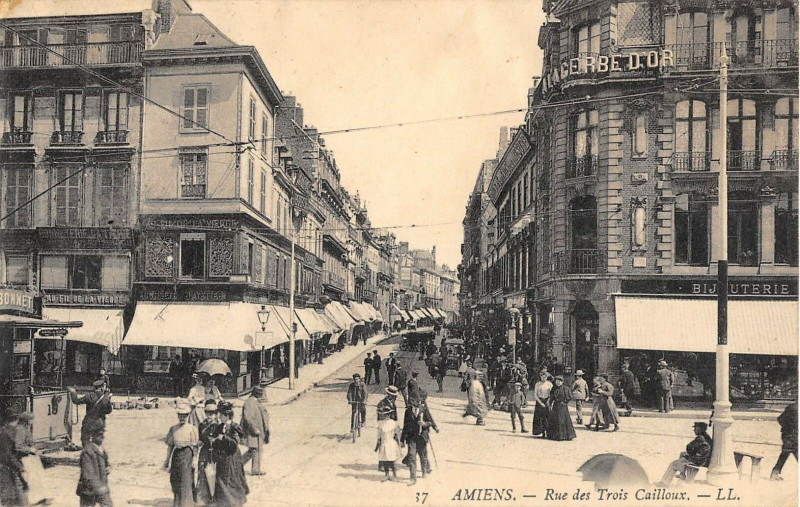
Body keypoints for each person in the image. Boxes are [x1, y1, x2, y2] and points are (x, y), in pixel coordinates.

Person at [212, 401, 249, 506]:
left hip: (232, 456)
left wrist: (223, 437)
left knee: (232, 478)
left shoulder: (234, 427)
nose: (219, 417)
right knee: (222, 478)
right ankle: (224, 502)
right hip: (222, 457)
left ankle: (235, 502)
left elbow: (235, 443)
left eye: (221, 415)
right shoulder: (219, 427)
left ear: (227, 415)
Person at [163, 402, 199, 507]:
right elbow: (170, 445)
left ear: (188, 415)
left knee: (186, 480)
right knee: (175, 479)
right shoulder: (173, 429)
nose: (182, 417)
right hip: (176, 456)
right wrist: (167, 460)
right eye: (180, 415)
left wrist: (194, 459)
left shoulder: (192, 429)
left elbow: (195, 446)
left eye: (185, 415)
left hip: (187, 455)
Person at [656, 422, 712, 487]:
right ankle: (681, 474)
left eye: (695, 428)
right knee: (682, 454)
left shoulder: (700, 438)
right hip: (702, 459)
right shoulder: (706, 436)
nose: (694, 430)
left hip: (697, 461)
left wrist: (690, 452)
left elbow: (689, 447)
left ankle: (664, 483)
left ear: (699, 429)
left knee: (673, 464)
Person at [0, 412, 36, 507]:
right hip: (9, 465)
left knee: (17, 487)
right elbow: (9, 454)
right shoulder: (8, 433)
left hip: (11, 464)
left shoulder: (7, 431)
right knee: (15, 488)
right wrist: (20, 467)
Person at [401, 396, 438, 486]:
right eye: (411, 401)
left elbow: (430, 421)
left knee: (423, 456)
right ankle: (412, 478)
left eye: (414, 401)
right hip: (411, 438)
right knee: (412, 456)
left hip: (421, 437)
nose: (412, 403)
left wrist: (425, 424)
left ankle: (424, 471)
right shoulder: (408, 411)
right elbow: (405, 426)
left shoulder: (423, 409)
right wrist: (402, 440)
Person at [69, 380, 113, 446]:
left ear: (94, 388)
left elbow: (76, 401)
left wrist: (73, 392)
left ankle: (87, 454)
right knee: (97, 442)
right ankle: (94, 454)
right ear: (102, 388)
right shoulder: (105, 398)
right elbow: (109, 411)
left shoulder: (89, 396)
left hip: (88, 422)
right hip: (100, 422)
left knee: (85, 440)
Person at [76, 426, 111, 507]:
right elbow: (88, 474)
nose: (102, 437)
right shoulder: (87, 451)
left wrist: (108, 467)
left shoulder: (101, 449)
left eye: (102, 435)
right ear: (92, 436)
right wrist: (99, 487)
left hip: (100, 487)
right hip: (88, 490)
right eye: (99, 435)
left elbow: (106, 463)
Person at [241, 385, 270, 476]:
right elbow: (248, 417)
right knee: (254, 450)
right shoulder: (250, 402)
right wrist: (254, 429)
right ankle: (253, 469)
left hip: (259, 430)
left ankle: (251, 468)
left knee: (254, 450)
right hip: (252, 431)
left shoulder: (255, 401)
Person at [196, 400, 219, 505]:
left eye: (213, 412)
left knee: (216, 475)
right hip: (205, 452)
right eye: (207, 412)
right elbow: (200, 439)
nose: (210, 415)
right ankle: (203, 498)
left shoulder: (219, 425)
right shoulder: (202, 425)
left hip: (216, 452)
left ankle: (216, 498)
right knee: (202, 472)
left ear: (216, 413)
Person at [771, 401, 797, 481]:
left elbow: (780, 419)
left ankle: (774, 473)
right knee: (788, 453)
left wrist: (786, 428)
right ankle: (774, 473)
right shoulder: (795, 409)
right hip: (793, 436)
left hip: (787, 435)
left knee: (785, 453)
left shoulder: (791, 407)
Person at [375, 407, 402, 481]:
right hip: (384, 443)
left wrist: (399, 442)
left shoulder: (393, 423)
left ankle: (394, 474)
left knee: (391, 460)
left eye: (386, 414)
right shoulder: (380, 423)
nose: (385, 416)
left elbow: (397, 433)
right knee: (384, 460)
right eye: (384, 414)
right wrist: (377, 443)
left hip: (391, 443)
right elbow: (379, 435)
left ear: (389, 415)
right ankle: (386, 474)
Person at [547, 376, 576, 441]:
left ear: (562, 382)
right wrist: (550, 404)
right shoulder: (554, 388)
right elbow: (551, 397)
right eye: (557, 381)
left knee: (563, 420)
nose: (558, 383)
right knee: (555, 419)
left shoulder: (565, 388)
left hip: (563, 406)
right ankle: (555, 436)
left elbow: (570, 397)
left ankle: (565, 436)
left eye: (559, 381)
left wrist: (565, 402)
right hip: (555, 406)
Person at [531, 371, 552, 438]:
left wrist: (548, 401)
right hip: (539, 401)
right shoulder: (537, 384)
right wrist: (540, 403)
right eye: (542, 377)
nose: (544, 378)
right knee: (540, 417)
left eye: (545, 377)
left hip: (547, 401)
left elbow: (551, 394)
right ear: (540, 377)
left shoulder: (549, 384)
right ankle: (541, 432)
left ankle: (548, 432)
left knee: (547, 417)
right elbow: (535, 395)